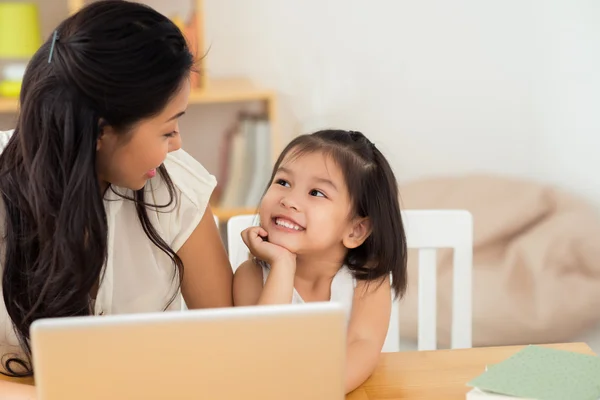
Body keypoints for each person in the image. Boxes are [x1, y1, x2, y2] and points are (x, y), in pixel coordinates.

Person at [0, 0, 232, 378]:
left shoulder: (178, 189)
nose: (177, 144)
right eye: (166, 129)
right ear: (100, 131)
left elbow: (229, 347)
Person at [232, 129, 408, 393]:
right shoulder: (251, 275)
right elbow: (261, 355)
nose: (289, 200)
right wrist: (281, 264)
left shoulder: (366, 280)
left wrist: (315, 392)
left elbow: (363, 347)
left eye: (316, 193)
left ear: (355, 230)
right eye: (283, 182)